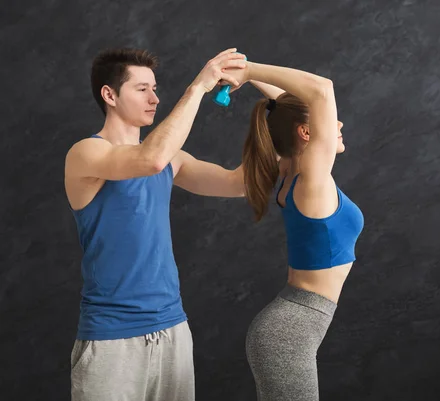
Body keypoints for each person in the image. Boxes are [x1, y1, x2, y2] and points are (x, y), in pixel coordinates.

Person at [64, 47, 247, 401]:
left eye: (155, 88)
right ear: (109, 95)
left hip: (173, 328)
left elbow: (239, 183)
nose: (155, 98)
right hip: (112, 338)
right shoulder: (86, 154)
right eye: (142, 89)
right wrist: (198, 88)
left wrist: (274, 115)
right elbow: (149, 159)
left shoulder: (171, 160)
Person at [232, 61, 365, 400]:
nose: (339, 122)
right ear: (306, 133)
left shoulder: (293, 172)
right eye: (329, 119)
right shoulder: (311, 180)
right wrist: (246, 70)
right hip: (289, 333)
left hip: (289, 328)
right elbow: (321, 90)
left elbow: (284, 112)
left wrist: (256, 82)